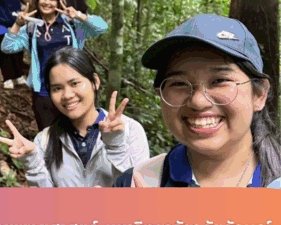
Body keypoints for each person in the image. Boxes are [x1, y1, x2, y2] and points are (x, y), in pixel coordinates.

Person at [114, 14, 281, 187]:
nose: (198, 101)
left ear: (259, 94)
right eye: (179, 83)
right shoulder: (135, 183)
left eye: (219, 81)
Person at [0, 48, 149, 187]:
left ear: (95, 82)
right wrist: (33, 164)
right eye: (57, 88)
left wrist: (116, 146)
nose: (67, 95)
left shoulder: (131, 131)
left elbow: (139, 199)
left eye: (74, 83)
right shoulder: (43, 141)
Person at [1, 0, 108, 131]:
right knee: (48, 135)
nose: (47, 2)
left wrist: (77, 15)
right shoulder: (31, 28)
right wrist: (17, 24)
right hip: (43, 91)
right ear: (37, 2)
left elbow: (102, 27)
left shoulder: (72, 25)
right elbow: (7, 47)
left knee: (77, 133)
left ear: (59, 2)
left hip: (73, 91)